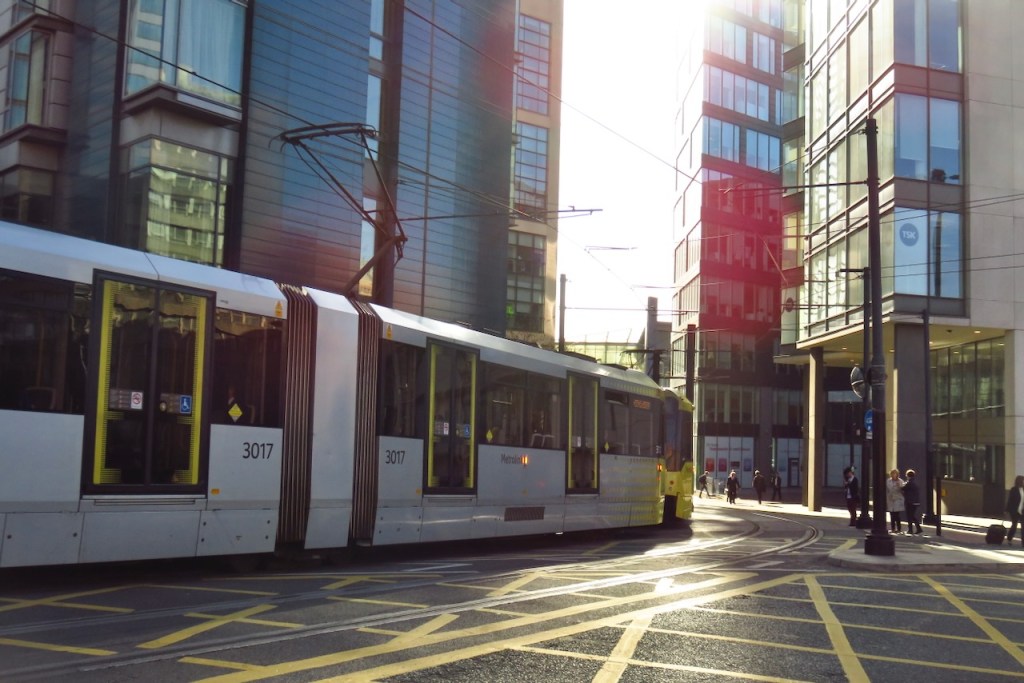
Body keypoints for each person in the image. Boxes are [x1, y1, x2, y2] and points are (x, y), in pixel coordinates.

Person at [885, 468, 906, 534]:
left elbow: (903, 490)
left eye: (895, 474)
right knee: (892, 515)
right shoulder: (888, 481)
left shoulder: (900, 481)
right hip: (891, 499)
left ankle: (899, 529)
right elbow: (888, 489)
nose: (894, 475)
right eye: (893, 474)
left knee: (897, 515)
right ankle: (893, 528)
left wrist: (899, 486)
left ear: (897, 474)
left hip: (898, 499)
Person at [903, 469, 923, 534]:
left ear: (907, 476)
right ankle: (918, 528)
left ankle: (910, 530)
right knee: (912, 516)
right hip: (916, 502)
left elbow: (903, 488)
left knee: (909, 516)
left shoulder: (909, 483)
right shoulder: (915, 482)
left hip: (910, 502)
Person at [1005, 475, 1024, 546]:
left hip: (1022, 511)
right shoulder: (1014, 489)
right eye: (1023, 480)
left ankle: (1023, 542)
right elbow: (1010, 500)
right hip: (1014, 511)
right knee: (1014, 525)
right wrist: (1007, 510)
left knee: (1023, 527)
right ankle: (1009, 539)